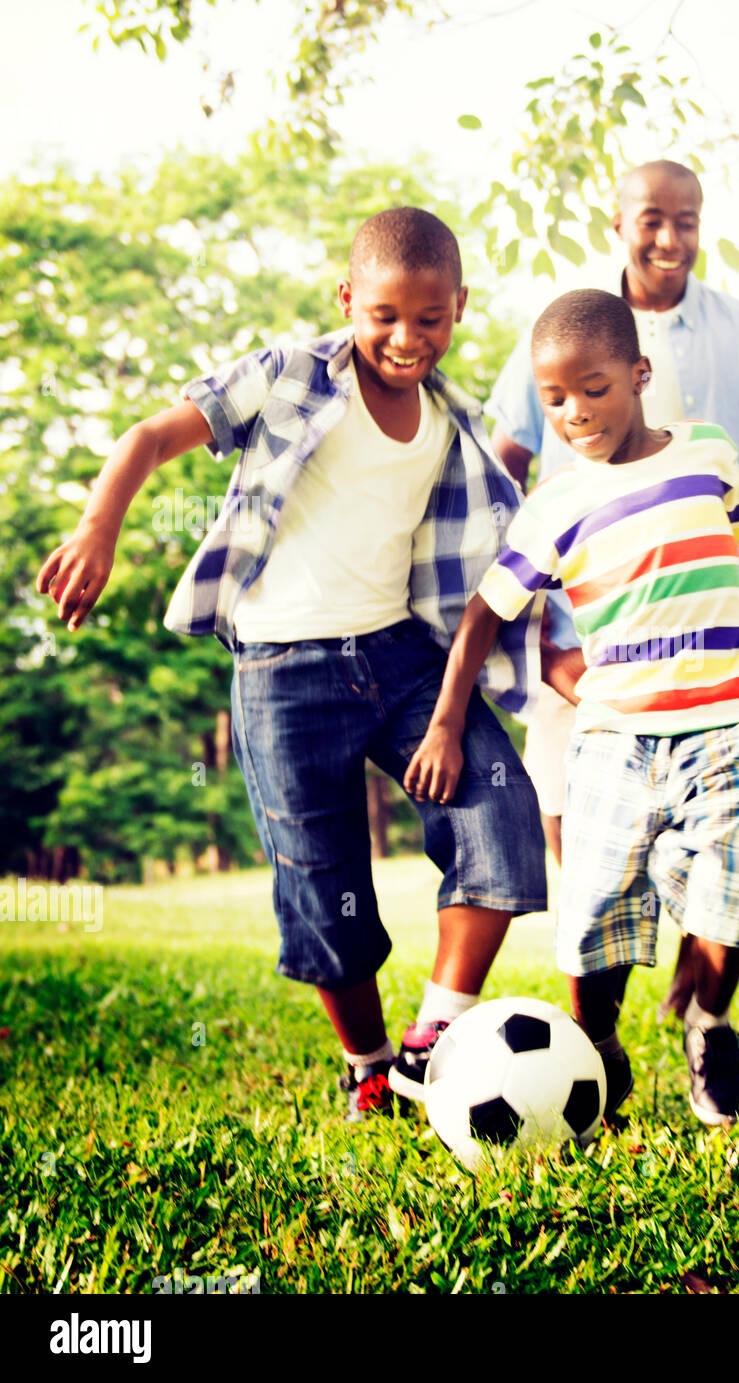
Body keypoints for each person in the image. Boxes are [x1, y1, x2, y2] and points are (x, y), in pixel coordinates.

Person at [36, 207, 548, 1120]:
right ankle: (370, 1065)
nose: (406, 338)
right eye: (384, 315)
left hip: (401, 657)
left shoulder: (454, 421)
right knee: (322, 884)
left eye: (429, 319)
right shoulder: (287, 378)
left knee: (500, 808)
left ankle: (432, 1041)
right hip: (283, 672)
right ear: (347, 298)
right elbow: (150, 437)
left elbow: (508, 557)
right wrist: (97, 526)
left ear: (459, 308)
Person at [410, 289, 739, 1126]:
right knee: (593, 907)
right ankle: (597, 1047)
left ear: (640, 374)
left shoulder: (710, 454)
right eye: (555, 398)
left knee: (725, 890)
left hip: (726, 719)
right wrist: (444, 719)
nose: (575, 412)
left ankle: (710, 1028)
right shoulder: (552, 507)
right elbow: (484, 615)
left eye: (596, 388)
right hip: (614, 735)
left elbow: (732, 544)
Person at [488, 159, 739, 1018]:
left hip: (716, 643)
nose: (669, 238)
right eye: (651, 219)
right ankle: (593, 1042)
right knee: (588, 852)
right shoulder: (563, 334)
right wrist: (537, 638)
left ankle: (705, 1019)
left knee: (723, 843)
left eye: (687, 219)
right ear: (616, 222)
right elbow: (506, 479)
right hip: (587, 652)